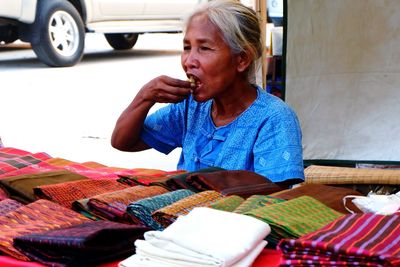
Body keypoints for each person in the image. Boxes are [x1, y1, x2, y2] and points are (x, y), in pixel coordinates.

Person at [111, 0, 304, 184]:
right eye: (187, 48)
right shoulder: (191, 107)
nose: (189, 61)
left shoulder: (273, 117)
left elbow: (276, 195)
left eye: (204, 48)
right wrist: (145, 96)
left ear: (241, 60)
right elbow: (123, 142)